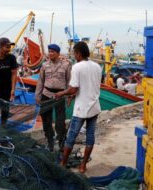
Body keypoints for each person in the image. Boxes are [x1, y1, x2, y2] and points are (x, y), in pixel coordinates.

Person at [55, 41, 102, 173]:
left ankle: (63, 163)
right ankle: (83, 166)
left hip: (81, 109)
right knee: (90, 136)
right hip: (94, 107)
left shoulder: (77, 67)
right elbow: (88, 87)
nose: (74, 56)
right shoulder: (97, 66)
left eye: (74, 53)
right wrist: (72, 95)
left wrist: (62, 93)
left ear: (79, 53)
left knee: (71, 137)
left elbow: (74, 88)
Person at [35, 44, 71, 152]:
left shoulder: (66, 65)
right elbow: (40, 81)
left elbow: (69, 81)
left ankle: (61, 143)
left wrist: (69, 96)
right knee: (46, 120)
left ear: (58, 53)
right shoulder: (44, 65)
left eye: (53, 51)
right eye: (49, 51)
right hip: (46, 94)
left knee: (60, 121)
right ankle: (50, 142)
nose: (50, 53)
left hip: (60, 95)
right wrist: (37, 95)